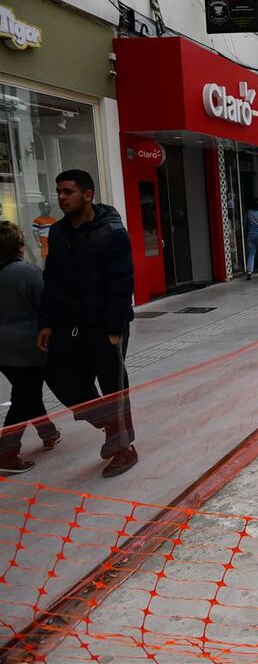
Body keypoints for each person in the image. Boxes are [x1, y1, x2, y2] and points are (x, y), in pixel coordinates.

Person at [37, 169, 137, 477]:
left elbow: (122, 283)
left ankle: (124, 448)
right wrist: (47, 322)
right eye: (59, 192)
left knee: (113, 385)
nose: (61, 198)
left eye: (68, 192)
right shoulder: (58, 232)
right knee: (58, 375)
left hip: (105, 325)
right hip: (68, 323)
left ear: (87, 195)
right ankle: (108, 422)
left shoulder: (113, 232)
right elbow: (51, 279)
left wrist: (113, 329)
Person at [0, 221, 61, 474]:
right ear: (21, 247)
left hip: (2, 353)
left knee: (27, 392)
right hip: (28, 349)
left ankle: (48, 431)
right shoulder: (28, 273)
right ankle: (6, 452)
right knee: (24, 398)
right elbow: (47, 306)